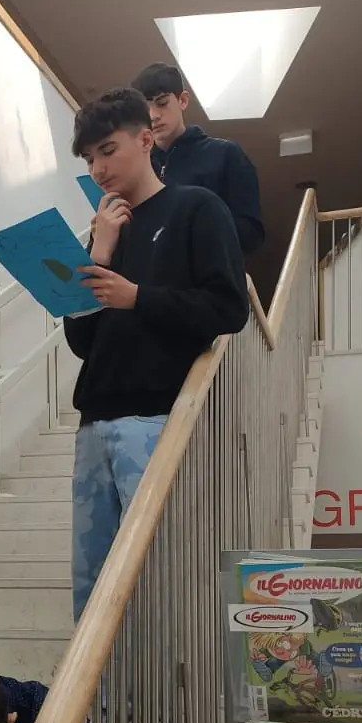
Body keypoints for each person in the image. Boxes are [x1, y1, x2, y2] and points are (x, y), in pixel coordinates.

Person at [68, 87, 250, 620]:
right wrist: (99, 253)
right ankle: (97, 706)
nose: (98, 167)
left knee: (155, 581)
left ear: (146, 139)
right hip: (92, 423)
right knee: (90, 588)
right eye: (88, 158)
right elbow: (82, 343)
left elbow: (228, 307)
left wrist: (137, 297)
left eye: (107, 149)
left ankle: (157, 705)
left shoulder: (197, 207)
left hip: (157, 420)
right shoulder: (106, 231)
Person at [132, 62, 265, 255]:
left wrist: (193, 231)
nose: (153, 116)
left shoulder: (225, 154)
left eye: (162, 103)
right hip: (152, 281)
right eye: (144, 109)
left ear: (183, 101)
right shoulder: (141, 167)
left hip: (211, 277)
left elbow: (251, 234)